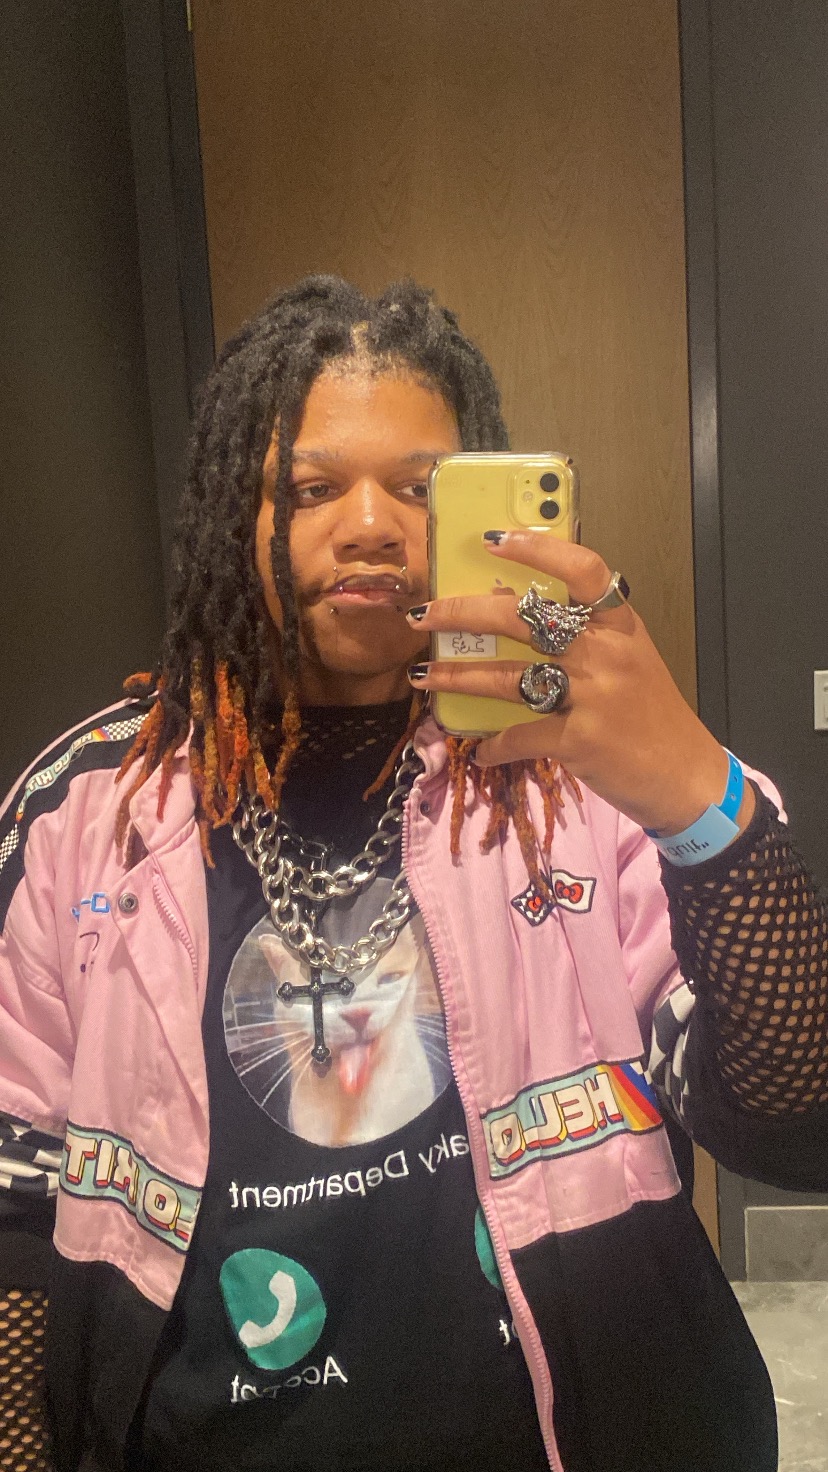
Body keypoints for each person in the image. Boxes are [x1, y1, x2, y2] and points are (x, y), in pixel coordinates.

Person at [0, 275, 825, 1472]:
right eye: (311, 487)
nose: (373, 525)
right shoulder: (89, 805)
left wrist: (706, 801)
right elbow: (16, 1200)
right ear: (233, 512)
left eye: (423, 487)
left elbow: (794, 1117)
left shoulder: (576, 779)